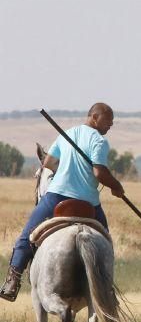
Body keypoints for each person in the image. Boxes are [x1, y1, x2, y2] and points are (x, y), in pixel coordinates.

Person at [1, 103, 125, 302]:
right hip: (88, 203)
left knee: (27, 236)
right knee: (106, 244)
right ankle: (107, 290)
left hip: (56, 197)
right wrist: (116, 186)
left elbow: (48, 163)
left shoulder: (67, 134)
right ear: (94, 117)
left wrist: (66, 172)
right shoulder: (99, 141)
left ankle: (12, 280)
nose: (111, 124)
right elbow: (99, 172)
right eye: (108, 120)